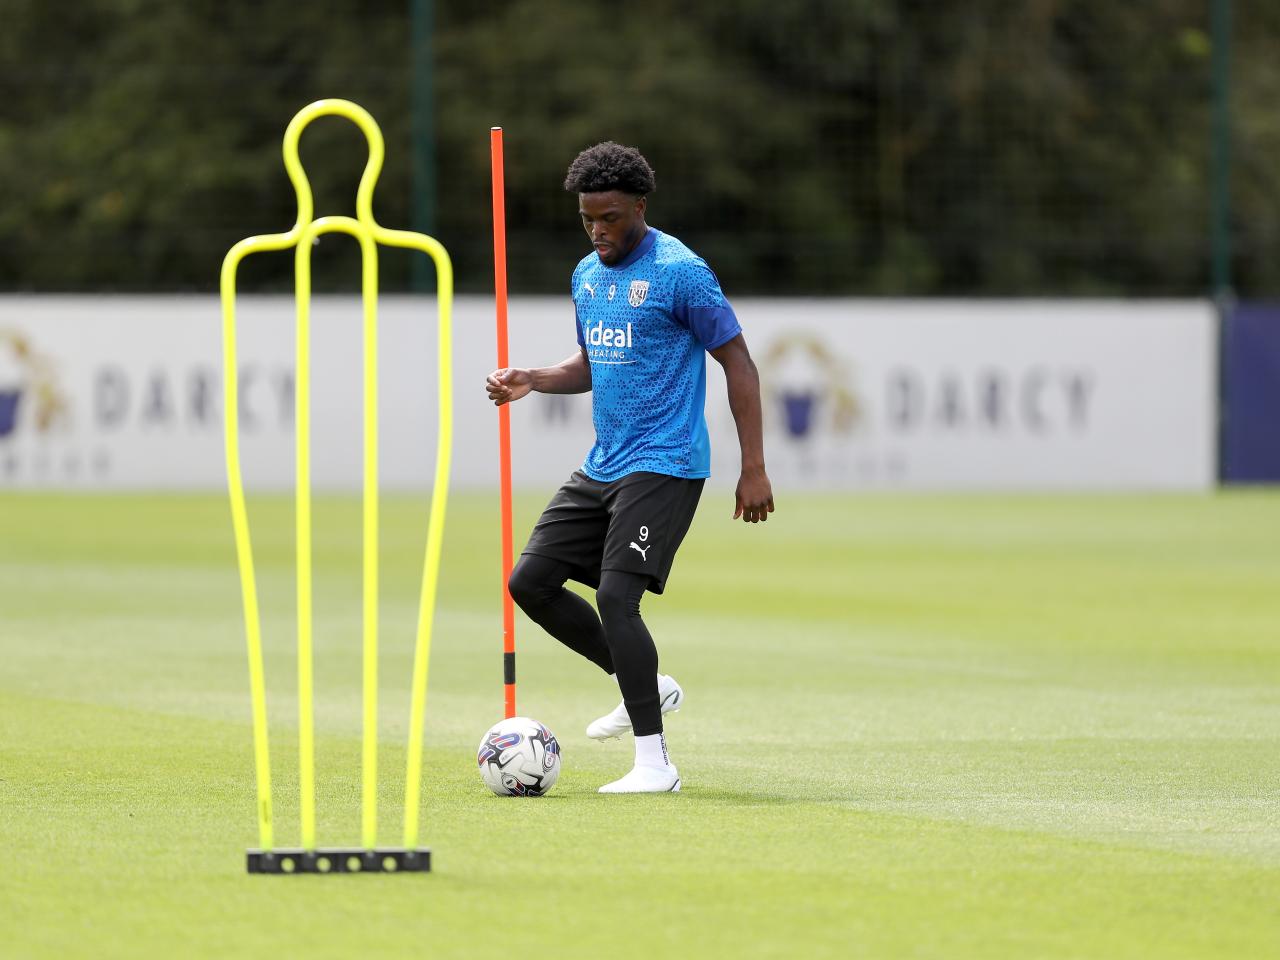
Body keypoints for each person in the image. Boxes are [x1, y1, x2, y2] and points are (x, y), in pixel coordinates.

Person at [485, 141, 774, 794]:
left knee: (617, 598)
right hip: (604, 463)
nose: (599, 230)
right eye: (589, 218)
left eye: (611, 217)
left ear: (640, 207)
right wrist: (532, 377)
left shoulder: (681, 272)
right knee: (530, 582)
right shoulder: (587, 275)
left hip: (667, 463)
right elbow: (591, 364)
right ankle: (644, 682)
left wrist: (752, 466)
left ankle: (655, 764)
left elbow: (738, 362)